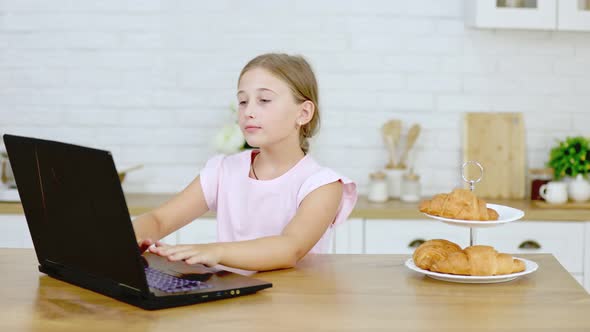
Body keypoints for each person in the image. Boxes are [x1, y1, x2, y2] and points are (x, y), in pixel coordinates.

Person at [133, 53, 357, 272]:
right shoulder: (223, 170)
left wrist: (215, 252)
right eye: (242, 101)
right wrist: (129, 238)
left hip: (294, 304)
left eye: (264, 100)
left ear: (303, 113)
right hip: (234, 303)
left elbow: (290, 248)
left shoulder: (323, 185)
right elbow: (159, 220)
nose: (248, 111)